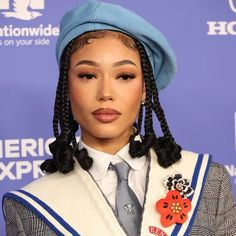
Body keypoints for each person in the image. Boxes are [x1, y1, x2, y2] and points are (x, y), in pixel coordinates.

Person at [2, 0, 236, 235]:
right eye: (87, 75)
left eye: (124, 76)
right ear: (66, 88)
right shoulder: (30, 208)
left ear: (145, 88)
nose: (105, 93)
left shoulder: (208, 181)